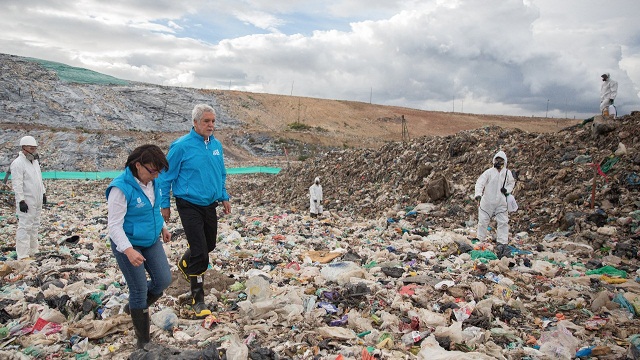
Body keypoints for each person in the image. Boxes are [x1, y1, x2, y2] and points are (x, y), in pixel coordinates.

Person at [157, 104, 231, 318]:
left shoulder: (216, 145)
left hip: (210, 204)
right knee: (200, 252)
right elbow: (165, 177)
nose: (211, 125)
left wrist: (223, 195)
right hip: (188, 203)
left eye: (213, 121)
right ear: (195, 122)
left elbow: (221, 174)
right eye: (207, 121)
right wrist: (165, 204)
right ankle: (197, 300)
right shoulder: (181, 146)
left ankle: (184, 263)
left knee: (210, 245)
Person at [106, 144, 172, 349]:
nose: (155, 175)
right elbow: (114, 226)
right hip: (128, 243)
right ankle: (143, 341)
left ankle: (133, 308)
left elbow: (153, 210)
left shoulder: (154, 182)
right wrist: (128, 250)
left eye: (158, 171)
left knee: (163, 280)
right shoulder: (120, 188)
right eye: (152, 170)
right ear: (137, 165)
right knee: (138, 288)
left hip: (151, 240)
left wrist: (163, 227)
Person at [10, 135, 46, 260]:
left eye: (34, 148)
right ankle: (23, 254)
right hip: (27, 200)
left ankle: (33, 250)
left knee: (35, 225)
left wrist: (43, 192)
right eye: (31, 149)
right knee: (25, 226)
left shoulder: (35, 162)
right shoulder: (18, 163)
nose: (33, 151)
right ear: (24, 148)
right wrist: (21, 200)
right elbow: (17, 183)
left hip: (37, 199)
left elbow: (38, 179)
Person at [474, 151, 515, 245]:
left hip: (501, 202)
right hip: (487, 201)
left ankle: (502, 242)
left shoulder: (507, 173)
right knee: (483, 221)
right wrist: (478, 195)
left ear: (504, 162)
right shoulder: (489, 172)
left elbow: (511, 183)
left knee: (503, 222)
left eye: (500, 160)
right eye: (497, 160)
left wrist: (507, 190)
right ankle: (480, 239)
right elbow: (480, 183)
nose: (498, 162)